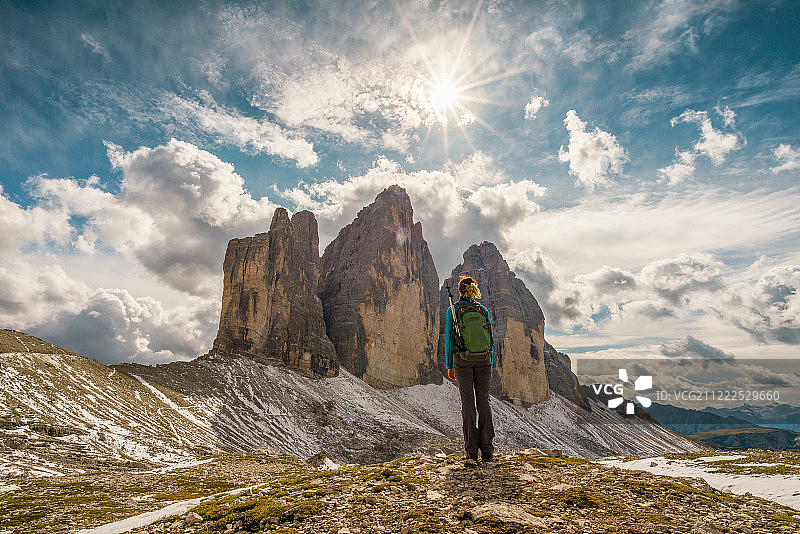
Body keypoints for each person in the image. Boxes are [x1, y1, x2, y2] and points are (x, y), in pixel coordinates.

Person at [445, 275, 495, 465]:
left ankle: (471, 452)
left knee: (468, 403)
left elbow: (449, 339)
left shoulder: (453, 310)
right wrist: (488, 360)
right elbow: (490, 337)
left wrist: (450, 366)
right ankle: (488, 450)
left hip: (462, 361)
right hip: (484, 360)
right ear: (473, 290)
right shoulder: (483, 310)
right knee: (484, 401)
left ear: (459, 291)